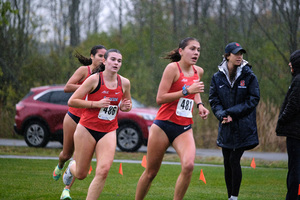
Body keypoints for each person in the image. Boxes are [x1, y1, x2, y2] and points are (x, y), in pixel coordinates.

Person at [135, 37, 209, 200]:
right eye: (192, 48)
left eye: (198, 49)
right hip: (163, 126)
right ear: (181, 51)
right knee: (151, 173)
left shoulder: (199, 71)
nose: (196, 52)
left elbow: (195, 90)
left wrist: (199, 105)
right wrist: (186, 91)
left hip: (183, 127)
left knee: (189, 165)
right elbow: (160, 98)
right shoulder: (172, 69)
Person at [62, 49, 132, 200]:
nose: (116, 63)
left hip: (109, 130)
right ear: (105, 61)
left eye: (119, 61)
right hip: (86, 129)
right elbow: (72, 101)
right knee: (81, 174)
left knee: (103, 171)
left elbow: (126, 104)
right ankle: (72, 167)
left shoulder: (124, 82)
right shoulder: (94, 79)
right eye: (113, 59)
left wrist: (124, 107)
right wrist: (96, 103)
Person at [52, 45, 107, 200]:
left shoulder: (105, 76)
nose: (103, 59)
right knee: (67, 153)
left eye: (105, 56)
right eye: (100, 55)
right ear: (92, 56)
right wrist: (87, 87)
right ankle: (60, 164)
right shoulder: (84, 71)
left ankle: (66, 190)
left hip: (88, 121)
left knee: (78, 158)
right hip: (73, 117)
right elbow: (67, 87)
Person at [209, 42, 260, 200]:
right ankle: (230, 196)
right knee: (226, 161)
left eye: (241, 54)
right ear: (227, 56)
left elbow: (253, 100)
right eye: (236, 53)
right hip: (226, 126)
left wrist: (231, 113)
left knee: (233, 159)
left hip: (243, 127)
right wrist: (221, 114)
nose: (239, 56)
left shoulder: (249, 76)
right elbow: (214, 99)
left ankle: (234, 197)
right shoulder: (217, 77)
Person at [276, 49, 300, 200]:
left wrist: (282, 119)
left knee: (295, 170)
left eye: (292, 61)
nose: (289, 64)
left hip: (295, 134)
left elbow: (293, 104)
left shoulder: (298, 80)